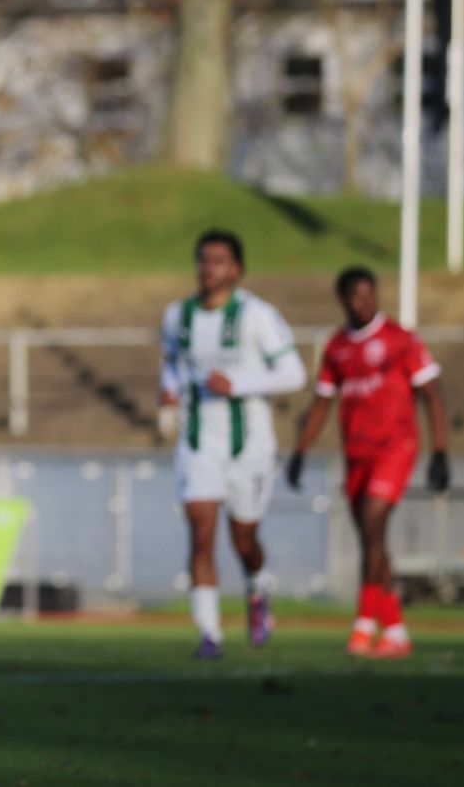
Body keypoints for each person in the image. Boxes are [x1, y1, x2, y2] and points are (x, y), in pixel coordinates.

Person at [288, 266, 450, 659]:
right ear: (343, 300)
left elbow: (432, 394)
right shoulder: (337, 347)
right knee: (371, 541)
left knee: (374, 522)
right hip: (356, 454)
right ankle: (395, 631)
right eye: (358, 296)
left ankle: (363, 625)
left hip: (395, 447)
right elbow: (322, 403)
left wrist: (440, 451)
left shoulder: (399, 339)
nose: (366, 302)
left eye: (371, 294)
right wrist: (299, 451)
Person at [159, 230, 305, 660]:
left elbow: (294, 374)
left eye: (219, 261)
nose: (209, 268)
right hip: (197, 442)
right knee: (201, 531)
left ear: (237, 269)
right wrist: (167, 391)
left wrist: (238, 384)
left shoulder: (257, 315)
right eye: (204, 260)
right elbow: (171, 366)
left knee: (244, 539)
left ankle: (257, 588)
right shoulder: (177, 316)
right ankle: (209, 634)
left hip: (250, 446)